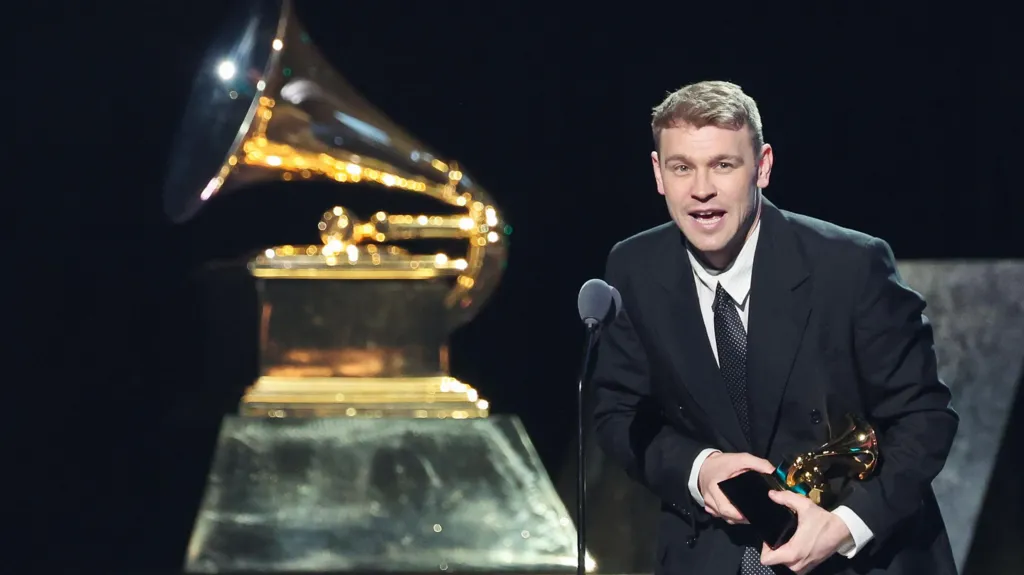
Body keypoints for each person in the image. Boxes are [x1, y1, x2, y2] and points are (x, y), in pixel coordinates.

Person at [591, 80, 959, 575]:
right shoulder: (633, 267)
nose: (701, 189)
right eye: (682, 167)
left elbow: (925, 417)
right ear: (659, 173)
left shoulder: (849, 266)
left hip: (859, 557)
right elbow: (619, 413)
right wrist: (699, 470)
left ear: (762, 166)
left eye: (723, 164)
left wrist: (845, 525)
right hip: (712, 557)